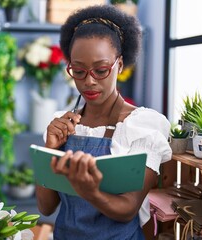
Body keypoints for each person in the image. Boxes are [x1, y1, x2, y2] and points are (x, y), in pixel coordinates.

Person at [35, 4, 172, 239]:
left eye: (100, 70)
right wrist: (50, 150)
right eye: (78, 71)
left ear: (119, 64)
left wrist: (90, 191)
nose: (89, 81)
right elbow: (46, 207)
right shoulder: (62, 124)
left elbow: (128, 209)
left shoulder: (142, 126)